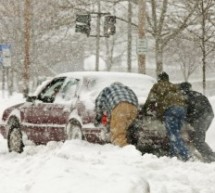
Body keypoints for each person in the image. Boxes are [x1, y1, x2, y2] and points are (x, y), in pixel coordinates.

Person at [142, 72, 191, 161]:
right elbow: (183, 97)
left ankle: (186, 155)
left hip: (171, 110)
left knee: (173, 134)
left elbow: (151, 99)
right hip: (182, 109)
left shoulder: (157, 86)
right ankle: (172, 154)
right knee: (176, 133)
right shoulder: (174, 86)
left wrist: (143, 110)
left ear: (159, 79)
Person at [94, 82, 138, 147]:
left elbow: (98, 103)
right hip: (134, 108)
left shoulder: (107, 89)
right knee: (125, 129)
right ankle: (129, 146)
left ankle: (123, 151)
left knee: (117, 134)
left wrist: (98, 118)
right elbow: (136, 99)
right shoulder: (127, 89)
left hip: (120, 107)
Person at [179, 82, 215, 162]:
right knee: (197, 138)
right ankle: (208, 155)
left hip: (201, 117)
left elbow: (186, 113)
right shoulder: (196, 94)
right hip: (209, 115)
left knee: (198, 140)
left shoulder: (186, 97)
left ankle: (211, 157)